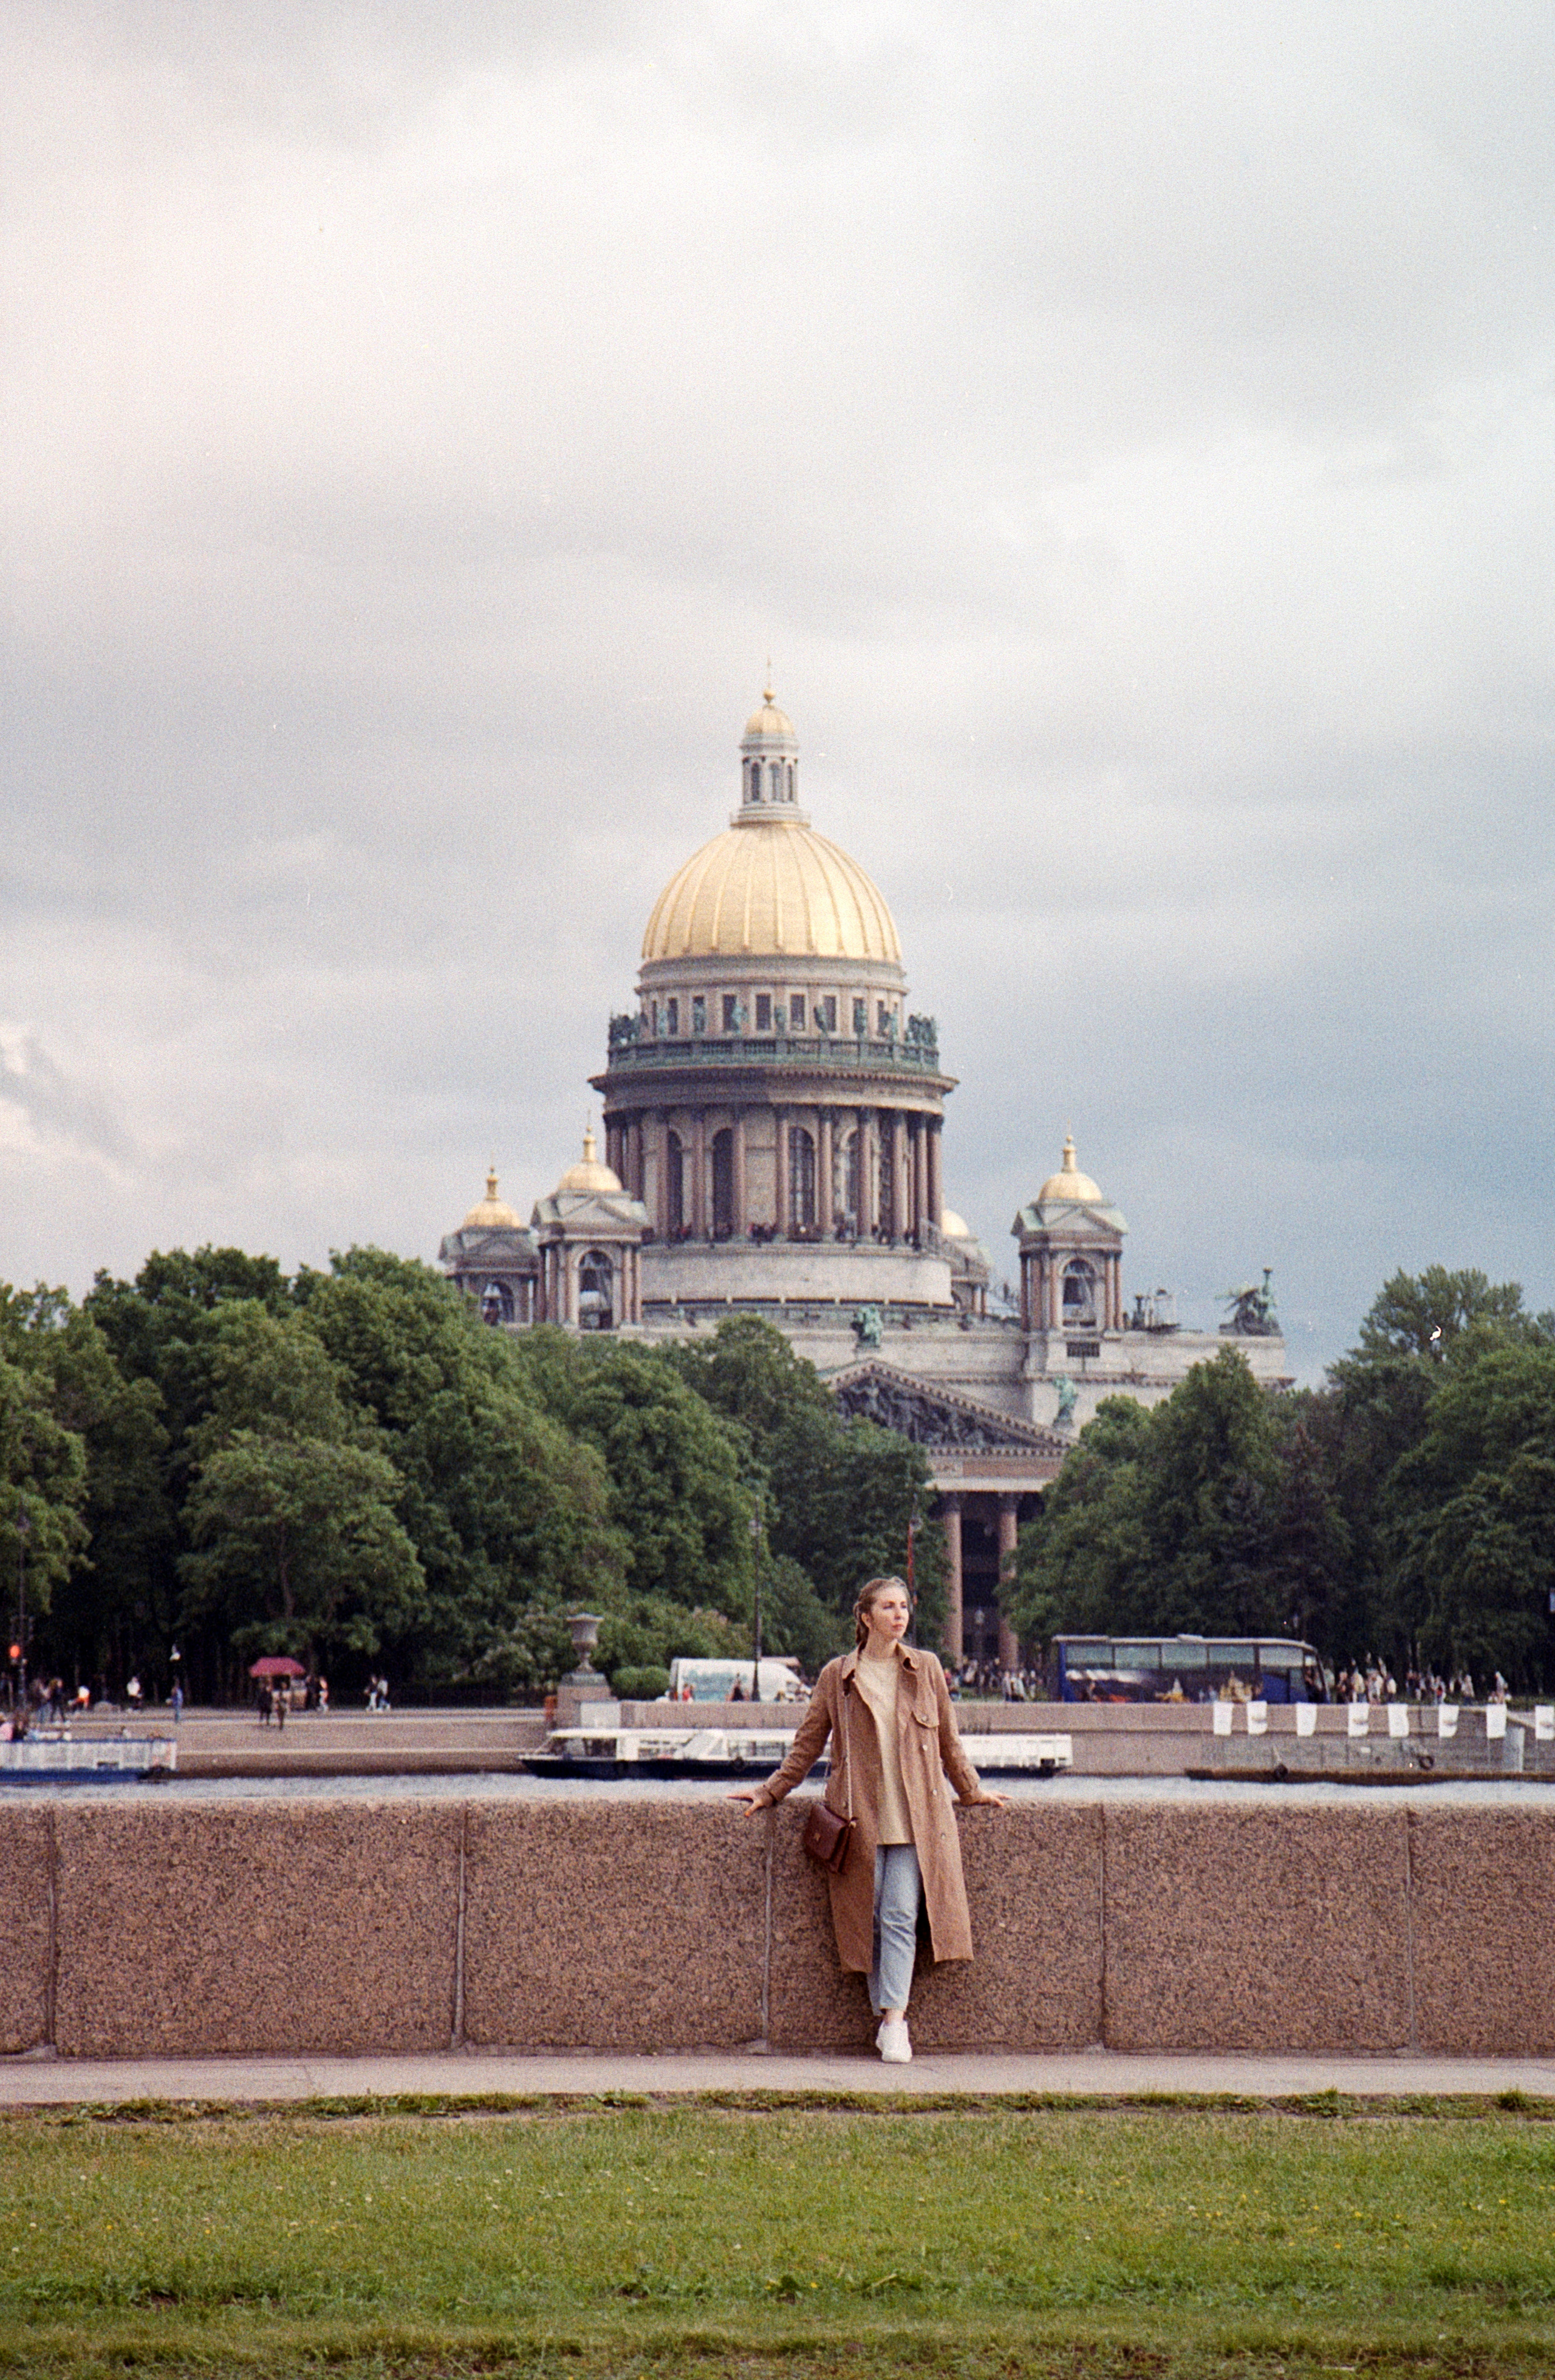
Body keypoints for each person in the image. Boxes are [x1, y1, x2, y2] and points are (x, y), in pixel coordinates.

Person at [730, 1575, 1006, 2065]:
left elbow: (948, 1741)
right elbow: (808, 1744)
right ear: (865, 1617)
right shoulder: (839, 1675)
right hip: (860, 1819)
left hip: (915, 1817)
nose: (899, 1615)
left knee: (900, 1916)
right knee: (869, 1922)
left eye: (903, 1606)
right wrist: (769, 1791)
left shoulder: (925, 1668)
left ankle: (895, 2022)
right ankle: (886, 2015)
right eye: (887, 1606)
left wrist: (972, 1790)